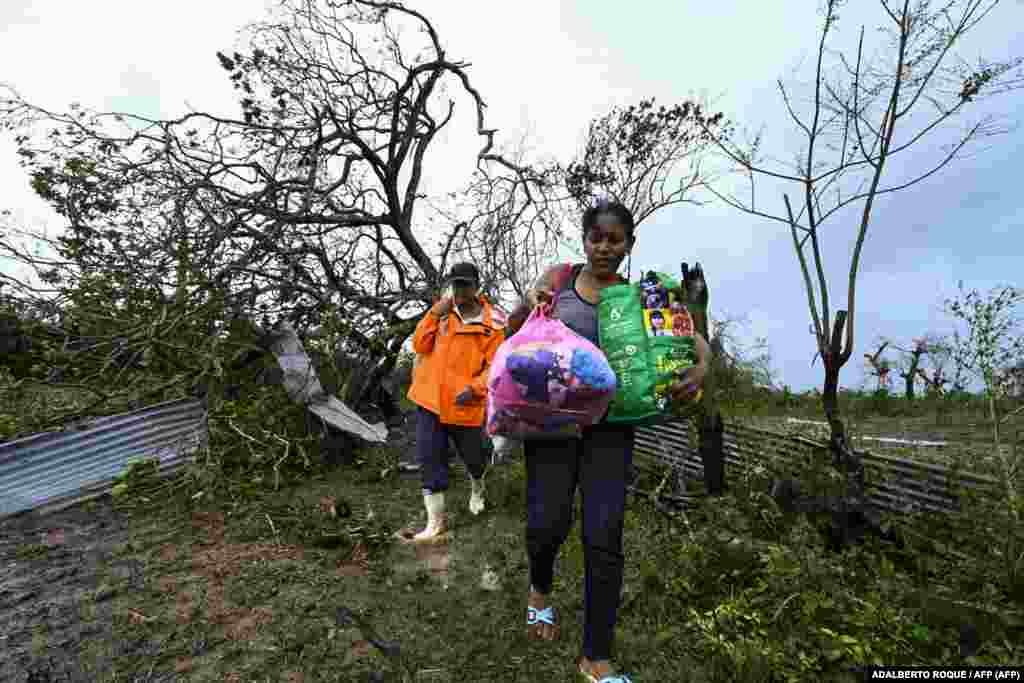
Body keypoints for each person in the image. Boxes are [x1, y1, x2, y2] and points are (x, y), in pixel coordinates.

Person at [508, 201, 710, 683]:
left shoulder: (643, 296)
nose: (604, 247)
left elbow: (692, 340)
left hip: (612, 433)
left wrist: (700, 368)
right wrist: (530, 303)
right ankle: (540, 588)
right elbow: (516, 326)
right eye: (596, 237)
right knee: (547, 524)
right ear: (584, 240)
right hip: (555, 427)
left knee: (605, 535)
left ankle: (595, 657)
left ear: (629, 245)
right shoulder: (559, 279)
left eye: (615, 240)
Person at [403, 262, 504, 543]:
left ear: (476, 287)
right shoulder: (442, 314)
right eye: (455, 284)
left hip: (465, 404)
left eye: (465, 284)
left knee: (475, 457)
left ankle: (478, 488)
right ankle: (435, 524)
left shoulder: (492, 324)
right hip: (430, 399)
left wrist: (474, 389)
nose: (460, 290)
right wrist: (435, 313)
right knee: (429, 457)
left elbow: (495, 366)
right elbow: (420, 345)